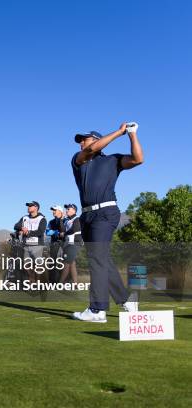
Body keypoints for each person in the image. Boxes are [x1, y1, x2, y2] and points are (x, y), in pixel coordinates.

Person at [71, 122, 144, 323]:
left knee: (98, 259)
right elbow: (92, 149)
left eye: (83, 140)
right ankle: (127, 299)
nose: (81, 145)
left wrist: (131, 134)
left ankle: (97, 310)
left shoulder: (113, 160)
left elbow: (138, 159)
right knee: (102, 258)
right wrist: (119, 132)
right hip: (87, 217)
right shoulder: (80, 160)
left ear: (95, 139)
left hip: (106, 213)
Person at [13, 201, 47, 283]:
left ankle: (38, 282)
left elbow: (40, 231)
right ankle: (32, 279)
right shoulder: (24, 218)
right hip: (26, 245)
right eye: (28, 206)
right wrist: (22, 228)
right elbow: (15, 226)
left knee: (38, 265)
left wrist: (28, 232)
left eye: (30, 206)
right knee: (26, 265)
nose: (28, 207)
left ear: (36, 208)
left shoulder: (42, 219)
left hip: (37, 245)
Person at [59, 204, 82, 284]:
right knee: (72, 263)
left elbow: (74, 230)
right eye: (66, 209)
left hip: (75, 243)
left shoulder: (77, 219)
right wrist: (61, 220)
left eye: (68, 209)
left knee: (66, 263)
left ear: (74, 210)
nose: (67, 210)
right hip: (68, 243)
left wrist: (64, 233)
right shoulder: (67, 220)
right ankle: (75, 284)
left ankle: (60, 283)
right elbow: (62, 230)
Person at [46, 205, 65, 283]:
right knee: (52, 263)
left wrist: (59, 232)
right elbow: (48, 232)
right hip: (54, 244)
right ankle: (52, 282)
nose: (53, 212)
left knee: (62, 263)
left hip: (64, 244)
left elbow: (65, 231)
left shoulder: (65, 220)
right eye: (53, 210)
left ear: (60, 211)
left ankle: (62, 282)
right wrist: (57, 232)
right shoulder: (51, 222)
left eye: (55, 210)